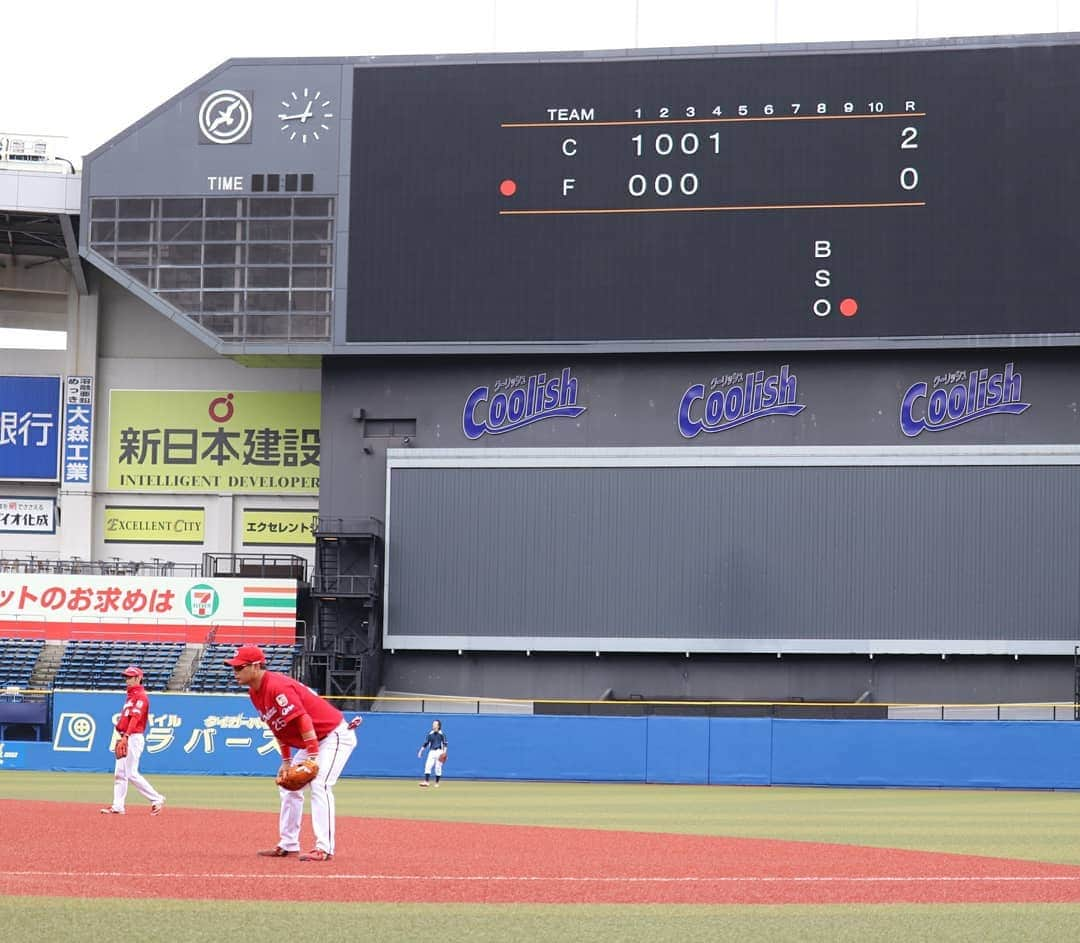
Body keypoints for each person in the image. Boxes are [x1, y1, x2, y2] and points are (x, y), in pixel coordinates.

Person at [226, 644, 357, 862]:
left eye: (240, 668)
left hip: (333, 736)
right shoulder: (254, 692)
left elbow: (303, 719)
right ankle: (288, 843)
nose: (235, 672)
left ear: (256, 666)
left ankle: (324, 848)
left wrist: (313, 757)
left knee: (320, 784)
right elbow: (277, 726)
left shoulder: (277, 686)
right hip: (313, 741)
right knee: (289, 785)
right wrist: (286, 761)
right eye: (234, 668)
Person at [100, 666, 166, 816]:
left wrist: (126, 736)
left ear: (138, 678)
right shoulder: (131, 696)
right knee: (120, 773)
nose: (127, 680)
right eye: (126, 677)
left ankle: (156, 799)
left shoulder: (141, 696)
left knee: (131, 773)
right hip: (126, 735)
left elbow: (135, 719)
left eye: (130, 677)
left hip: (133, 737)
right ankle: (118, 806)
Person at [417, 718, 448, 788]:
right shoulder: (430, 734)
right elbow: (426, 743)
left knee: (438, 768)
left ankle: (437, 782)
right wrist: (420, 751)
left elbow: (445, 744)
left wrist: (444, 753)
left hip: (440, 752)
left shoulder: (442, 734)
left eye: (435, 724)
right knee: (428, 765)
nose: (433, 725)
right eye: (433, 724)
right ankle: (426, 782)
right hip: (432, 751)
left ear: (438, 726)